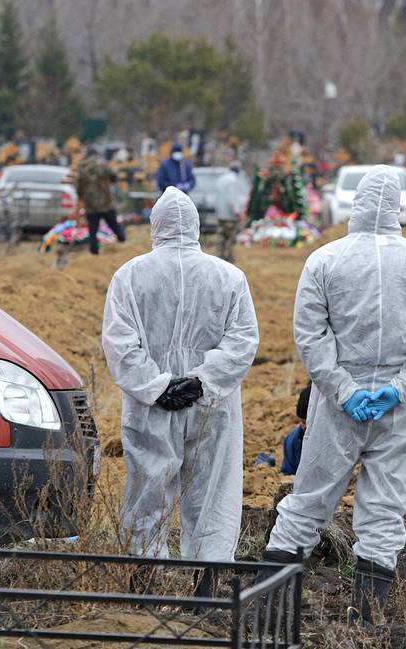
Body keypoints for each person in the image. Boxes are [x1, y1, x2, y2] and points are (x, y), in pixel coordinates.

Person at [262, 166, 406, 622]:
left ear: (357, 203)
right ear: (397, 208)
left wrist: (343, 389)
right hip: (400, 409)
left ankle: (269, 607)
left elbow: (311, 334)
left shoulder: (325, 260)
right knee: (385, 508)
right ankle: (367, 614)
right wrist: (399, 389)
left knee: (308, 500)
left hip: (336, 405)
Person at [101, 187, 259, 591]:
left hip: (151, 406)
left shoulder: (131, 275)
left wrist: (158, 387)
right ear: (196, 226)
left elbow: (120, 344)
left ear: (156, 226)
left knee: (148, 488)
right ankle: (205, 591)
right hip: (212, 404)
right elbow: (242, 341)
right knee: (210, 492)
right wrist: (202, 382)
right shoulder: (229, 277)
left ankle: (142, 590)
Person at [76, 148, 126, 255]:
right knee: (114, 224)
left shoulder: (82, 167)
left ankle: (94, 251)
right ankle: (122, 241)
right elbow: (114, 177)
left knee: (93, 229)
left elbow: (78, 185)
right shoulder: (103, 164)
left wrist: (81, 195)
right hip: (105, 202)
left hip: (90, 204)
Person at [214, 161, 249, 263]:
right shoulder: (234, 181)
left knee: (221, 237)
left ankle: (218, 258)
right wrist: (237, 212)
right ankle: (228, 259)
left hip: (220, 214)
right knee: (230, 238)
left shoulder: (221, 179)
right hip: (230, 215)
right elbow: (232, 199)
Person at [281, 384, 311, 476]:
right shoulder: (292, 441)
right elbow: (288, 474)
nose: (305, 427)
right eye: (302, 422)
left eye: (309, 422)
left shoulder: (335, 440)